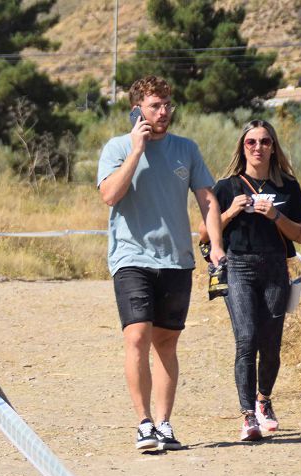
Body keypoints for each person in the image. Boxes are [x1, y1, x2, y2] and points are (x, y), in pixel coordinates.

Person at [97, 75, 221, 452]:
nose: (164, 112)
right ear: (137, 110)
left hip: (177, 260)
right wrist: (136, 151)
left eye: (168, 104)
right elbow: (109, 195)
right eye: (155, 105)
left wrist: (216, 244)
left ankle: (165, 424)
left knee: (166, 342)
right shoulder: (117, 147)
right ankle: (143, 423)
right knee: (136, 336)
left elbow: (208, 200)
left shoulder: (187, 149)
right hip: (131, 257)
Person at [200, 120, 301, 441]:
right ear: (242, 146)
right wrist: (230, 212)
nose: (258, 147)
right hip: (238, 268)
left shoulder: (287, 185)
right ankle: (248, 415)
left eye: (264, 141)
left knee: (271, 345)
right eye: (251, 142)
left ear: (273, 146)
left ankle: (264, 400)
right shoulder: (226, 187)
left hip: (276, 268)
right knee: (246, 338)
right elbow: (205, 233)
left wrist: (276, 216)